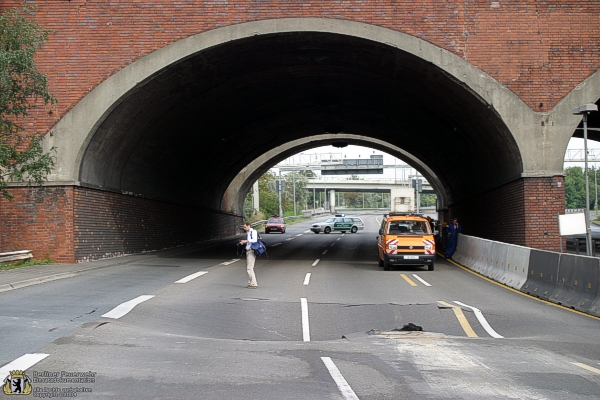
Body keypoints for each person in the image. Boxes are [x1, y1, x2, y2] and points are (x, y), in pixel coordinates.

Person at [239, 221, 258, 288]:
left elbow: (255, 240)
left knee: (249, 268)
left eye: (245, 227)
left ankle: (254, 284)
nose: (244, 228)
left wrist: (246, 241)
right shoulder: (248, 232)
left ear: (249, 225)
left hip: (251, 251)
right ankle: (250, 283)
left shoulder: (253, 232)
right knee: (249, 268)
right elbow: (250, 241)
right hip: (248, 251)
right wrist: (244, 242)